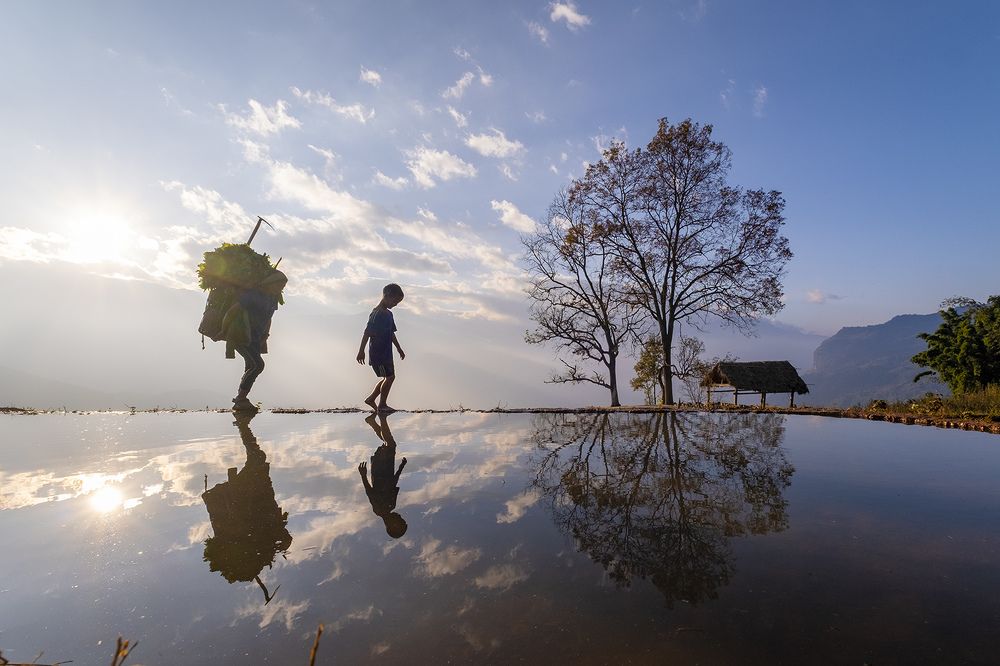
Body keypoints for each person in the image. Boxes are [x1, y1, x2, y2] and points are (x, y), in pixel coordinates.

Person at [226, 269, 287, 412]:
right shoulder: (253, 295)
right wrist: (226, 330)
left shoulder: (273, 299)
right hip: (241, 335)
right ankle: (240, 399)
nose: (281, 289)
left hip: (256, 338)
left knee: (251, 366)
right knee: (258, 365)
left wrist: (265, 336)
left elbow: (269, 318)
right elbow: (233, 311)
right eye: (279, 285)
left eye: (283, 287)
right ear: (270, 283)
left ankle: (241, 400)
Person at [356, 283, 405, 412]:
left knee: (387, 377)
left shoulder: (389, 315)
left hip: (387, 353)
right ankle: (382, 405)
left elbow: (391, 333)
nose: (395, 304)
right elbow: (367, 332)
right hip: (378, 353)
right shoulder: (376, 314)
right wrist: (361, 351)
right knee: (390, 377)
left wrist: (399, 348)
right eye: (395, 301)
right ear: (387, 296)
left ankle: (372, 399)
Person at [359, 413, 408, 538]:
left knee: (390, 444)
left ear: (393, 525)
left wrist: (363, 475)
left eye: (401, 521)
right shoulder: (388, 507)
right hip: (384, 469)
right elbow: (393, 483)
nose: (401, 517)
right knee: (388, 443)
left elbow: (369, 491)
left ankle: (382, 417)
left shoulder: (382, 508)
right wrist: (401, 468)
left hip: (381, 469)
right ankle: (373, 422)